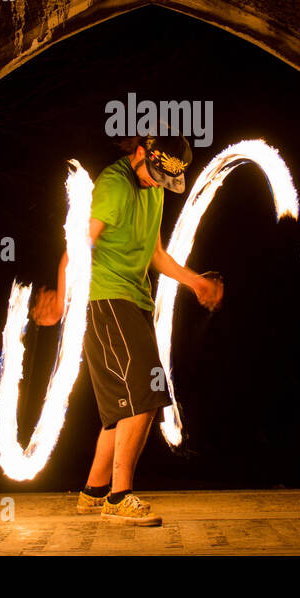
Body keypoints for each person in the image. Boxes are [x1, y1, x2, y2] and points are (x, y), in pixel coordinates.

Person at [31, 133, 224, 526]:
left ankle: (94, 491)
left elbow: (154, 254)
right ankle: (119, 496)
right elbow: (78, 248)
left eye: (164, 179)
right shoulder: (114, 186)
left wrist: (195, 282)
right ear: (140, 153)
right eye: (153, 173)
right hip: (105, 298)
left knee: (122, 407)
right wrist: (62, 301)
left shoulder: (154, 190)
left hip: (133, 300)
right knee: (147, 393)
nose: (156, 182)